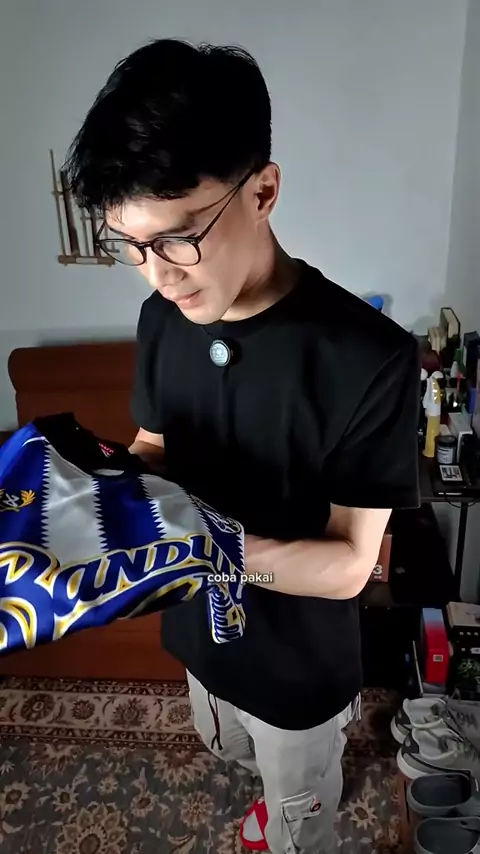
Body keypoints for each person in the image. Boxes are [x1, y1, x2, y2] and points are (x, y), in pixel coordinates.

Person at [66, 38, 419, 854]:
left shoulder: (368, 357)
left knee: (300, 821)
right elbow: (154, 445)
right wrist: (94, 489)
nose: (159, 275)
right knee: (225, 745)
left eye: (177, 238)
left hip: (298, 669)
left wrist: (204, 546)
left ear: (262, 191)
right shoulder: (162, 318)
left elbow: (350, 564)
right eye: (131, 246)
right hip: (201, 635)